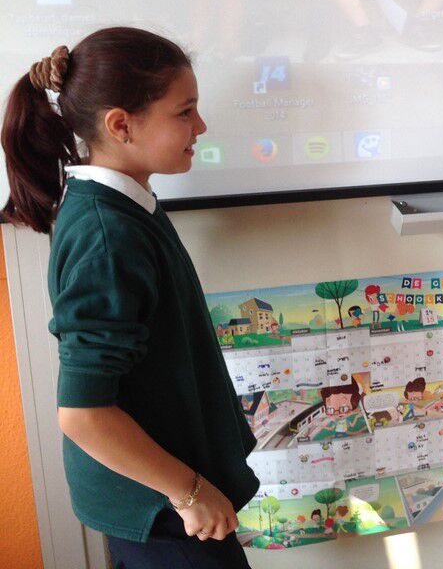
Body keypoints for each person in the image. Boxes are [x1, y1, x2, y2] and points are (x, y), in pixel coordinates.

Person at [0, 28, 259, 567]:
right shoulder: (108, 235)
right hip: (164, 511)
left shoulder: (126, 207)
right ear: (121, 125)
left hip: (165, 501)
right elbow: (83, 414)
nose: (201, 126)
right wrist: (189, 493)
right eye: (184, 111)